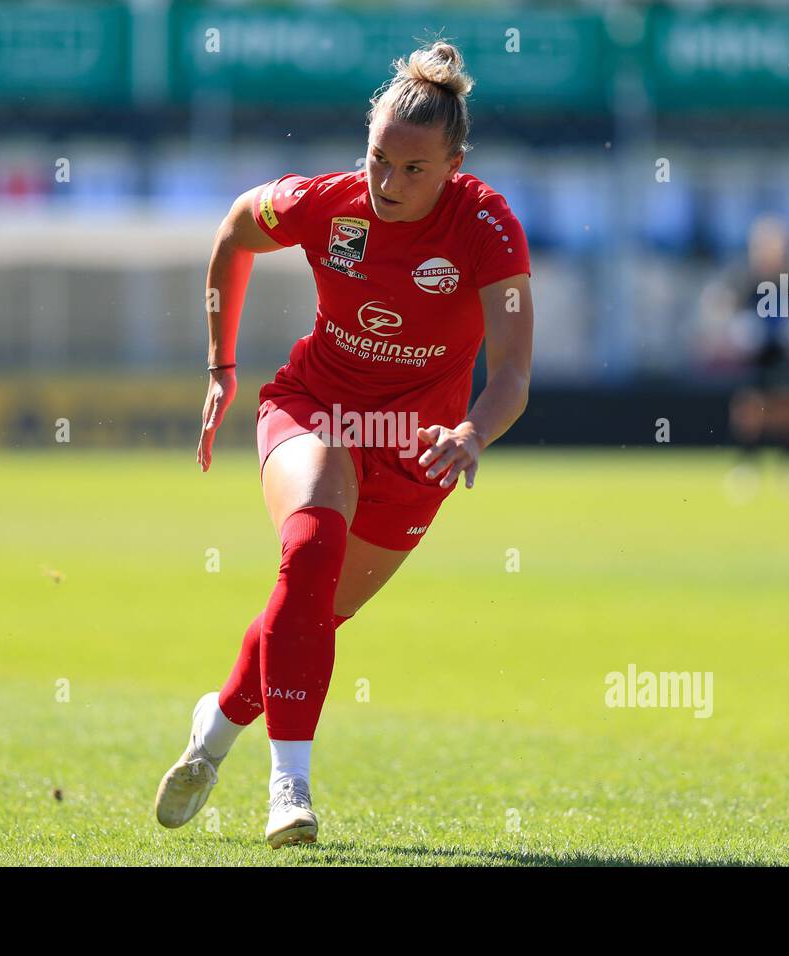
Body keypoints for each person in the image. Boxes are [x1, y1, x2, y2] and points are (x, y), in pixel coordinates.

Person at [152, 39, 534, 848]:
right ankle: (289, 789)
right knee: (313, 542)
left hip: (415, 447)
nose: (388, 185)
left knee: (312, 616)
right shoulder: (325, 202)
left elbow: (512, 377)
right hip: (313, 408)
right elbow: (232, 233)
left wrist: (472, 432)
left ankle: (213, 729)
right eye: (377, 161)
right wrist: (220, 366)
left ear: (455, 165)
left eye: (413, 171)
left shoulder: (489, 228)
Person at [702, 216, 789, 496]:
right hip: (753, 352)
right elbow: (723, 306)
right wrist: (738, 329)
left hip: (783, 349)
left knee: (788, 406)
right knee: (750, 406)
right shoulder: (745, 279)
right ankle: (747, 462)